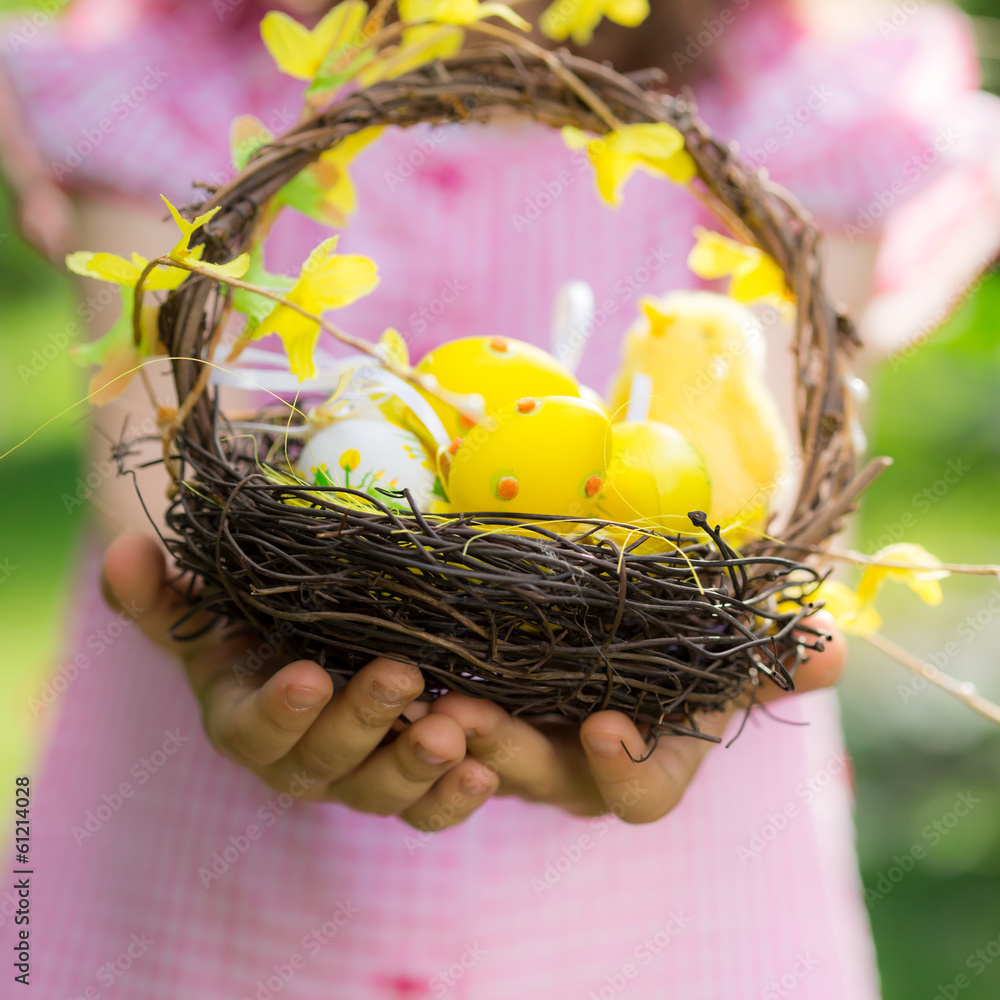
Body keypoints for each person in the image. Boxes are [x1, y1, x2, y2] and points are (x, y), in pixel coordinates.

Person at [2, 0, 996, 995]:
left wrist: (705, 672)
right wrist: (229, 637)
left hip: (663, 925)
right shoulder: (174, 89)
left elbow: (768, 505)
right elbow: (155, 464)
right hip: (191, 911)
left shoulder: (798, 109)